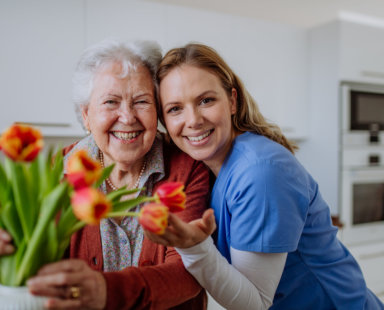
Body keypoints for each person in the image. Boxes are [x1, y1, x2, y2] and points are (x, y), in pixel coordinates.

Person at [145, 43, 384, 309]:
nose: (193, 120)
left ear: (232, 101)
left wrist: (194, 248)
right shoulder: (210, 167)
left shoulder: (260, 172)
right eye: (175, 108)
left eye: (206, 100)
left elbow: (255, 303)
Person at [0, 40, 210, 309]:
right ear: (86, 115)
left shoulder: (187, 168)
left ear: (157, 110)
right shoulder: (58, 171)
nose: (127, 117)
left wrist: (107, 290)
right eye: (111, 101)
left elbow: (191, 270)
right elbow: (36, 262)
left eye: (141, 101)